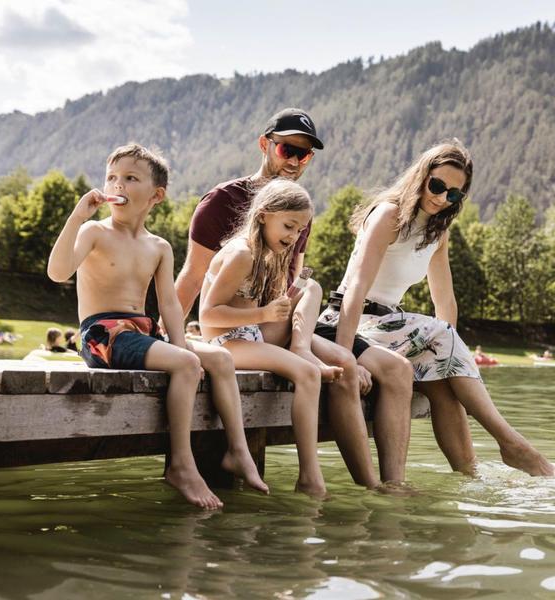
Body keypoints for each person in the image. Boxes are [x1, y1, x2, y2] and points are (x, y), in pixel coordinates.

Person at [175, 108, 412, 488]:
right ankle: (311, 477)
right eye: (288, 150)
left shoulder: (289, 224)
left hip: (266, 325)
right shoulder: (226, 214)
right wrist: (168, 336)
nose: (295, 160)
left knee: (344, 359)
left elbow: (289, 285)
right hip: (237, 330)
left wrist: (294, 315)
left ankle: (375, 485)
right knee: (313, 370)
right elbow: (196, 284)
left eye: (304, 155)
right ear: (265, 145)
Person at [47, 143, 268, 509]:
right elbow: (58, 272)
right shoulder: (93, 232)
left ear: (156, 196)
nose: (117, 185)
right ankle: (181, 464)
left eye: (130, 178)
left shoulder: (159, 246)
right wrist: (76, 217)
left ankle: (238, 451)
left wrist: (181, 346)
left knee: (220, 359)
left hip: (142, 330)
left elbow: (169, 304)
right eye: (111, 177)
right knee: (186, 364)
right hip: (103, 335)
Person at [319, 140, 555, 477]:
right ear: (421, 176)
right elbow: (356, 289)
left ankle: (469, 477)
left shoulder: (438, 232)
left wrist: (447, 365)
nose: (442, 197)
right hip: (346, 323)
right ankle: (513, 444)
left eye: (454, 194)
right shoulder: (388, 215)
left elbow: (445, 300)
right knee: (441, 333)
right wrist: (345, 358)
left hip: (387, 330)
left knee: (445, 388)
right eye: (437, 186)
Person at [199, 179, 330, 496]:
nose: (293, 236)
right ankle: (310, 477)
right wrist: (264, 314)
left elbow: (260, 309)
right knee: (308, 375)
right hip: (226, 342)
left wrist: (280, 304)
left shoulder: (268, 254)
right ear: (263, 215)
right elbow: (208, 315)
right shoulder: (241, 254)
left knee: (311, 288)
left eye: (300, 230)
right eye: (288, 226)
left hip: (252, 334)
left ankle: (301, 348)